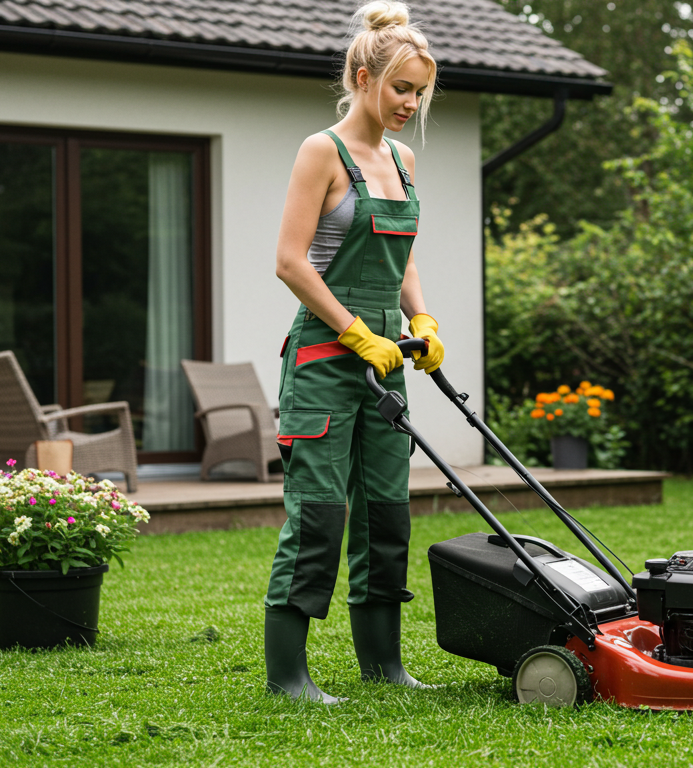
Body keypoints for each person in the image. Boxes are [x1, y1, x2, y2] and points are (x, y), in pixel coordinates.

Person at [265, 0, 445, 704]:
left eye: (420, 92)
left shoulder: (400, 159)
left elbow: (399, 261)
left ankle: (383, 664)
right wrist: (354, 332)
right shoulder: (322, 151)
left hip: (386, 360)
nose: (410, 103)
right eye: (402, 88)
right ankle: (288, 674)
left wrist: (421, 320)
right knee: (320, 512)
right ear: (363, 76)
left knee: (385, 510)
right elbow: (289, 262)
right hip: (325, 357)